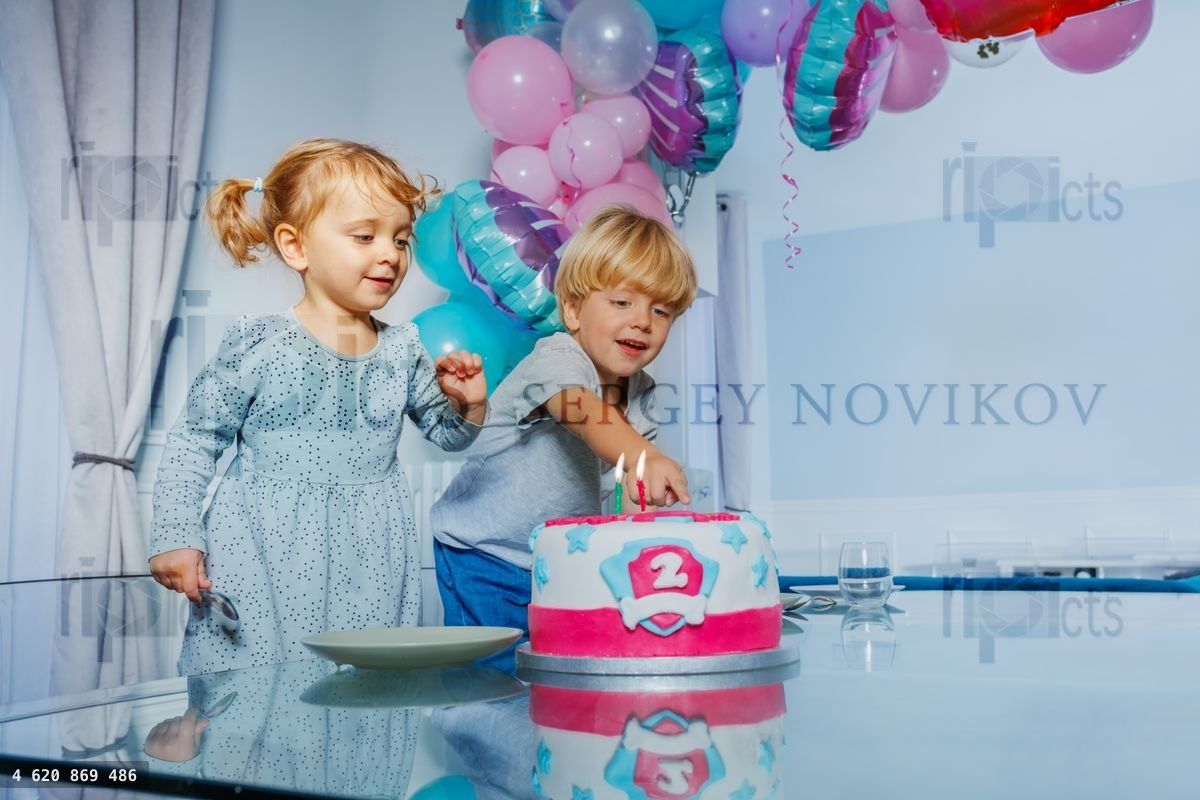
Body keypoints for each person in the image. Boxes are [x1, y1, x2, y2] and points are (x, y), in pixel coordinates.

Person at [149, 138, 487, 675]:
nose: (389, 254)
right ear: (295, 247)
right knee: (255, 699)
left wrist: (468, 407)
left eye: (400, 239)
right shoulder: (260, 343)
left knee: (363, 699)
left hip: (372, 555)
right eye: (364, 236)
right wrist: (176, 535)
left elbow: (447, 435)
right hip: (262, 550)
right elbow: (195, 439)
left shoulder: (404, 349)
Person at [430, 205, 697, 648]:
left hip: (560, 562)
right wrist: (646, 456)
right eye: (622, 302)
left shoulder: (642, 392)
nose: (642, 321)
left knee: (555, 679)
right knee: (492, 683)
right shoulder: (556, 359)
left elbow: (634, 498)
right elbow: (582, 410)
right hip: (487, 555)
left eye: (662, 311)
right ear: (573, 311)